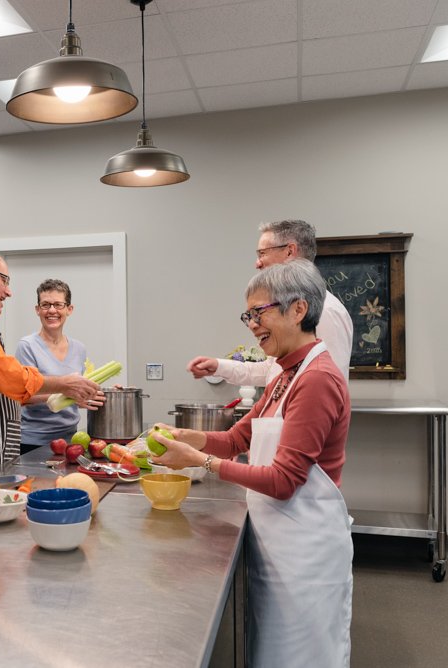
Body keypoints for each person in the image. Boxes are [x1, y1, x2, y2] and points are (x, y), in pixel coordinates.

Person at [153, 259, 352, 666]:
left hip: (306, 554)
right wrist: (185, 437)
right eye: (248, 316)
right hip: (279, 542)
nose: (252, 325)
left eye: (259, 313)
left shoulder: (316, 379)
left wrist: (200, 461)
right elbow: (235, 439)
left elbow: (284, 481)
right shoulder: (285, 375)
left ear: (298, 310)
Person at [0, 250, 100, 477]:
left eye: (59, 305)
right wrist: (64, 385)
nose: (8, 291)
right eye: (4, 280)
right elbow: (8, 377)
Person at [187, 219, 353, 385]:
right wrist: (219, 367)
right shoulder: (290, 304)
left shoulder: (326, 311)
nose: (257, 263)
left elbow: (328, 382)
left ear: (289, 251)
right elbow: (271, 370)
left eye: (262, 253)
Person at [15, 279, 104, 454]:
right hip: (33, 441)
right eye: (45, 305)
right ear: (37, 310)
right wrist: (66, 392)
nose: (52, 310)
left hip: (71, 438)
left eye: (58, 305)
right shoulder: (27, 346)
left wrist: (101, 393)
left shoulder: (79, 348)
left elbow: (77, 395)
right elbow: (22, 395)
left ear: (69, 309)